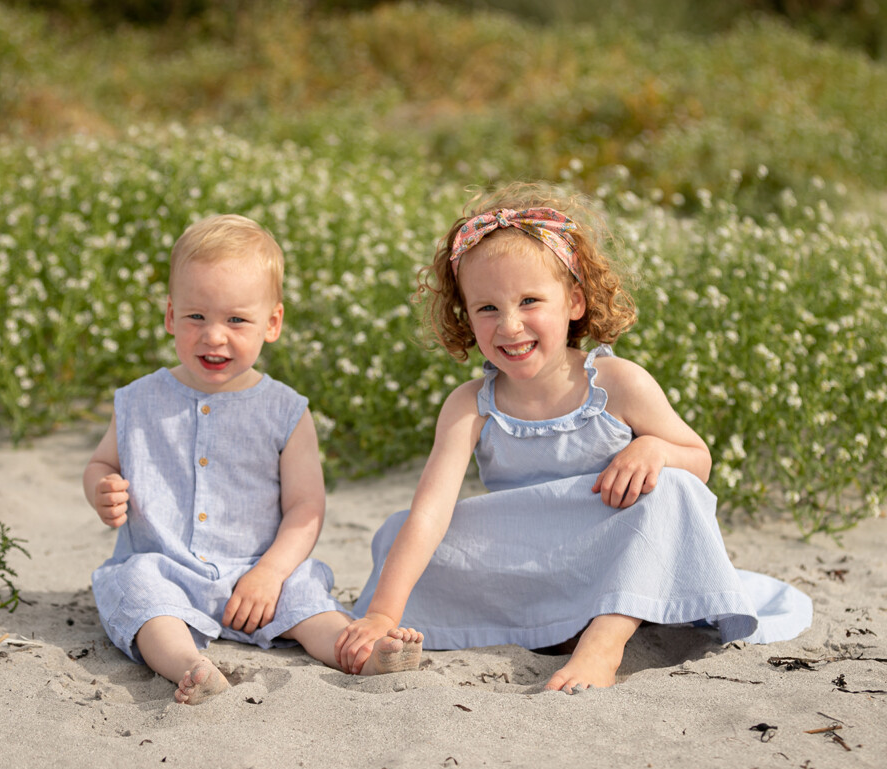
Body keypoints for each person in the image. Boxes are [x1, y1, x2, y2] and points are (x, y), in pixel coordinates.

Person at [336, 185, 810, 692]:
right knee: (399, 532)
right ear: (466, 319)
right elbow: (431, 514)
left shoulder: (617, 382)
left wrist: (654, 448)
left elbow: (698, 459)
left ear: (576, 301)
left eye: (530, 301)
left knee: (676, 491)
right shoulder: (469, 404)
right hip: (531, 559)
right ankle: (557, 624)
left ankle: (603, 641)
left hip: (609, 548)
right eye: (487, 309)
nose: (510, 325)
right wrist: (384, 613)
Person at [84, 214, 422, 704]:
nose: (214, 336)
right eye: (195, 316)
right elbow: (101, 464)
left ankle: (362, 655)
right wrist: (102, 488)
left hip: (260, 575)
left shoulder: (285, 411)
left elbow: (306, 507)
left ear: (273, 323)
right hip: (168, 567)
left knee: (308, 599)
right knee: (137, 589)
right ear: (169, 316)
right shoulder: (138, 401)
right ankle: (190, 667)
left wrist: (270, 572)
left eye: (236, 320)